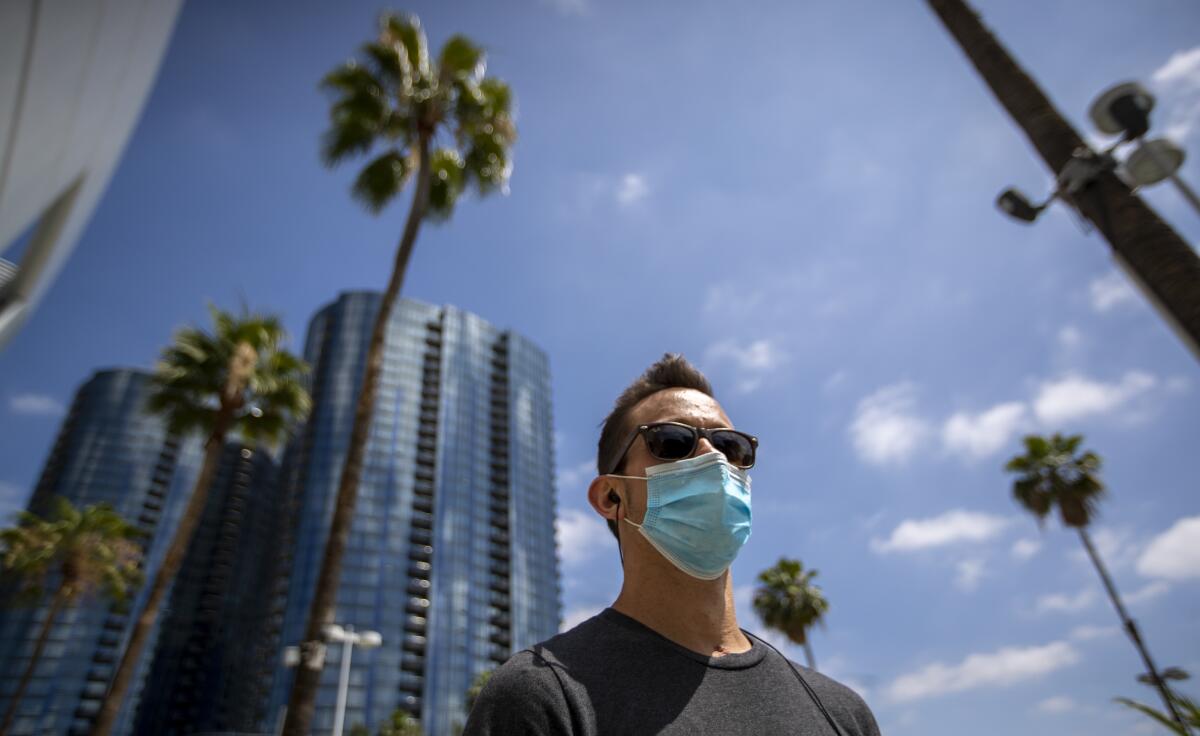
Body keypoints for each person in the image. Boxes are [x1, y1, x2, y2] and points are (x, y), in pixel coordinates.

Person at [464, 354, 880, 735]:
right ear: (611, 497)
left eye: (731, 446)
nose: (711, 457)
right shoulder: (540, 695)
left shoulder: (843, 713)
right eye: (672, 442)